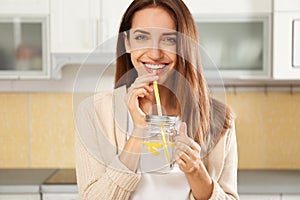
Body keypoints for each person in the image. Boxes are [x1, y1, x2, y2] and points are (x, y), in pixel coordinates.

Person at [75, 0, 239, 199]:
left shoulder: (218, 119)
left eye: (169, 40)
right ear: (127, 42)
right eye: (142, 37)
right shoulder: (93, 112)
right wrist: (138, 133)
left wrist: (196, 171)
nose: (154, 54)